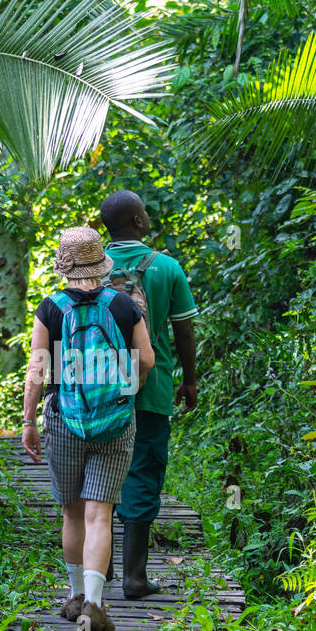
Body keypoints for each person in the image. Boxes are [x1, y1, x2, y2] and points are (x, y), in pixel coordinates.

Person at [22, 226, 155, 631]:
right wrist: (127, 392)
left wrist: (28, 421)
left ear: (65, 266)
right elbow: (147, 359)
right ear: (101, 263)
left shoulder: (50, 308)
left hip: (64, 419)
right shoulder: (123, 305)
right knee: (101, 513)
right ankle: (95, 605)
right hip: (115, 423)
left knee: (72, 511)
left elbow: (37, 370)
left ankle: (76, 595)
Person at [99, 190, 199, 600]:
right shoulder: (166, 268)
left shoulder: (89, 267)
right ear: (139, 222)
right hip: (150, 388)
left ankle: (98, 571)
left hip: (95, 390)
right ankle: (135, 577)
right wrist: (189, 381)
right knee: (143, 471)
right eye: (144, 212)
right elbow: (183, 331)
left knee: (98, 473)